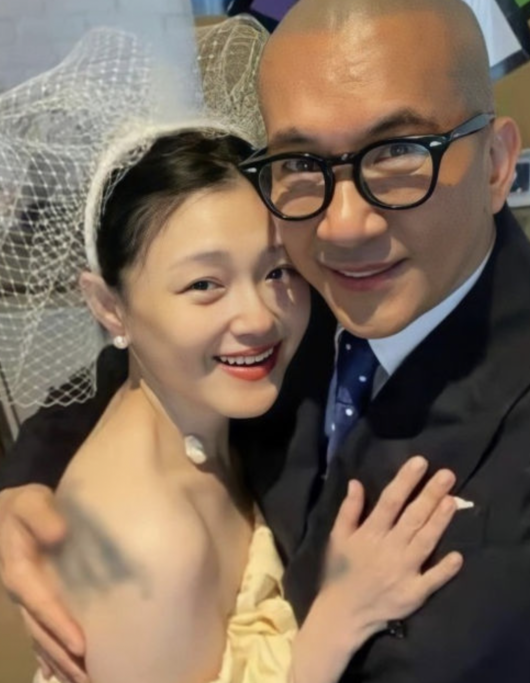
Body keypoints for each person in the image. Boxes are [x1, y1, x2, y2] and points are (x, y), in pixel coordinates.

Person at [0, 0, 527, 680]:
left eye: (399, 151)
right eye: (301, 161)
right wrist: (22, 490)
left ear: (496, 163)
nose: (344, 226)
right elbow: (128, 369)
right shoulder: (302, 290)